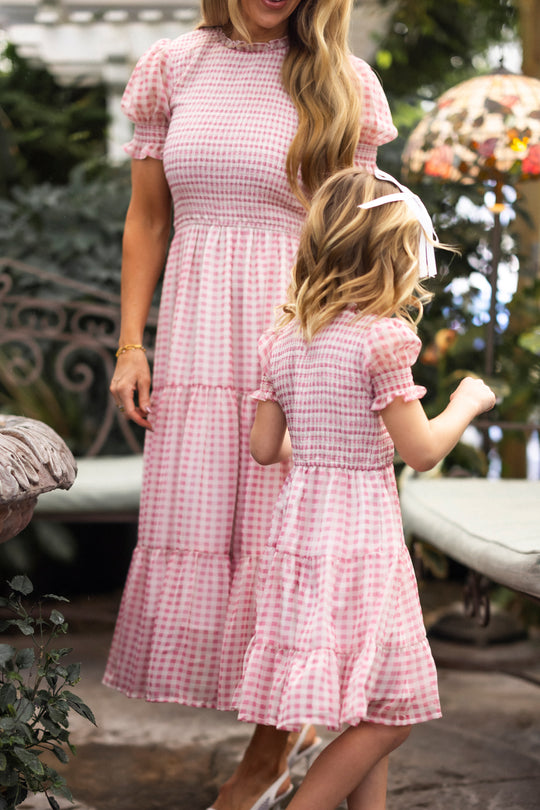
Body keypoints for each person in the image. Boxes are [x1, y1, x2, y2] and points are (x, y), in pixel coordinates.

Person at [105, 1, 397, 808]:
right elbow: (149, 218)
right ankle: (296, 735)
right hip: (200, 342)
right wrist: (132, 343)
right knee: (222, 534)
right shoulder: (173, 67)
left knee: (295, 545)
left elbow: (360, 245)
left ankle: (265, 762)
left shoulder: (346, 83)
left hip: (305, 346)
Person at [236, 167, 496, 810]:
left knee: (368, 701)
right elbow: (424, 451)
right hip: (361, 545)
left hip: (303, 541)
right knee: (396, 711)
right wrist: (466, 402)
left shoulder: (284, 336)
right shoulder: (383, 338)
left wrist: (331, 448)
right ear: (390, 254)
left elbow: (265, 448)